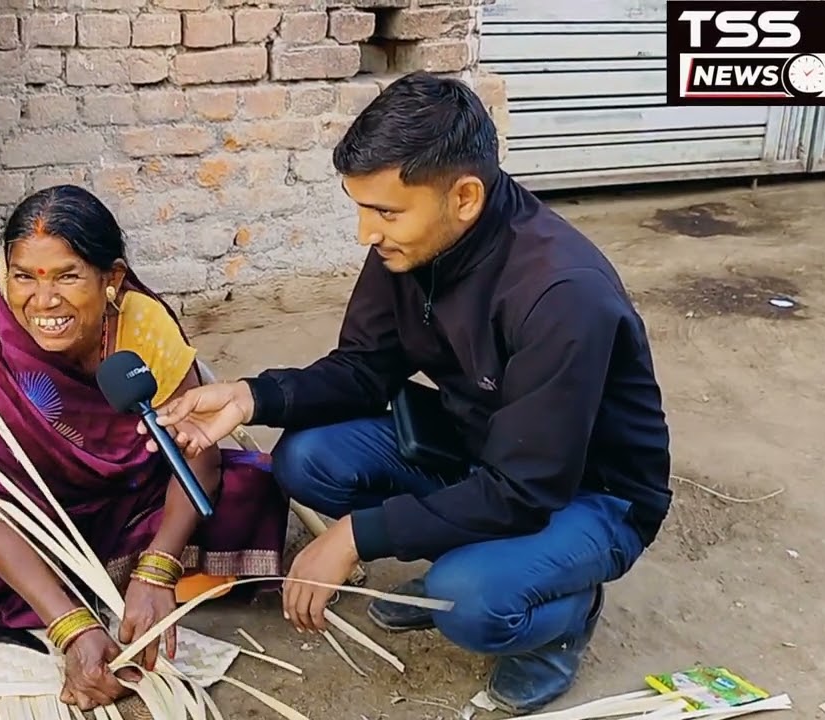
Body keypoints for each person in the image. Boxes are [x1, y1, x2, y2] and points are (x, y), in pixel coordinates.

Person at [139, 72, 673, 714]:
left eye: (385, 211)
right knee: (305, 458)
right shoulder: (413, 242)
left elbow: (526, 490)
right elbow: (364, 370)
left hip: (586, 493)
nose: (367, 231)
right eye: (361, 207)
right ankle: (476, 551)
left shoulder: (561, 294)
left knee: (466, 602)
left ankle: (561, 621)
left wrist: (354, 537)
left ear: (465, 197)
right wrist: (251, 397)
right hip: (479, 444)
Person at [0, 185, 288, 711]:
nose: (43, 302)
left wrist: (159, 567)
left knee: (256, 484)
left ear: (110, 279)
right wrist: (72, 629)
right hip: (16, 522)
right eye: (25, 277)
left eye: (67, 276)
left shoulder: (142, 325)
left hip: (123, 502)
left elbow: (194, 449)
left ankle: (135, 572)